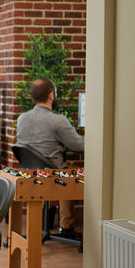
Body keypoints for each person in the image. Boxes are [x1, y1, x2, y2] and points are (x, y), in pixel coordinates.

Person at [16, 78, 84, 236]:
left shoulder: (22, 118)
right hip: (52, 175)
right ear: (51, 95)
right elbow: (79, 146)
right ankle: (66, 227)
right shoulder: (57, 120)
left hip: (29, 174)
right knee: (74, 175)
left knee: (66, 171)